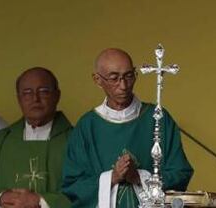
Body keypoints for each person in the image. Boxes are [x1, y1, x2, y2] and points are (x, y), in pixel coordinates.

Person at [61, 48, 193, 208]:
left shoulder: (158, 118)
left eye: (128, 76)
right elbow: (73, 184)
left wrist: (139, 177)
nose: (123, 85)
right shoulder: (87, 126)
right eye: (114, 78)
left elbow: (181, 173)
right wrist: (112, 177)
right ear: (97, 80)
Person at [0, 68, 73, 208]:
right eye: (27, 93)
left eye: (43, 91)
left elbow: (88, 190)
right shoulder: (1, 140)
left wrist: (41, 201)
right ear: (19, 98)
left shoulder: (77, 141)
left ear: (57, 95)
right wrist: (0, 198)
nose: (35, 99)